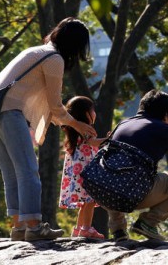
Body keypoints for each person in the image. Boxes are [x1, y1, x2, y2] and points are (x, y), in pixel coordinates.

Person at [0, 17, 98, 241]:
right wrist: (78, 125)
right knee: (28, 171)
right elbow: (56, 107)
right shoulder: (54, 59)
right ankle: (35, 227)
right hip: (10, 113)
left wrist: (67, 121)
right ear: (74, 44)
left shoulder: (35, 51)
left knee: (12, 173)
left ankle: (19, 228)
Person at [106, 89, 168, 242]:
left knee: (114, 174)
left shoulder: (123, 124)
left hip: (103, 192)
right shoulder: (165, 129)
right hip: (134, 195)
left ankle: (118, 229)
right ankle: (148, 222)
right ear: (166, 115)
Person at [59, 96, 108, 239]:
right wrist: (109, 140)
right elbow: (92, 142)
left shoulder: (74, 129)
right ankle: (86, 229)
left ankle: (78, 229)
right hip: (86, 172)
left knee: (85, 203)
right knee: (90, 200)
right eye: (92, 110)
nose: (94, 113)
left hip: (79, 172)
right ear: (86, 113)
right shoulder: (84, 128)